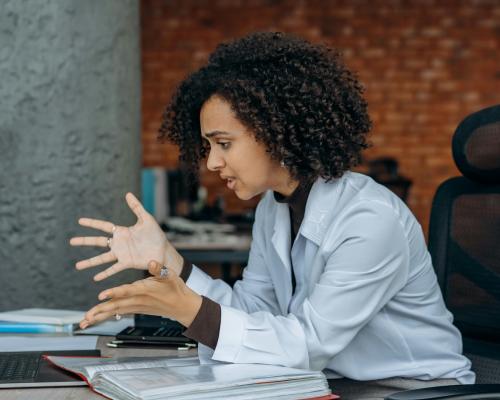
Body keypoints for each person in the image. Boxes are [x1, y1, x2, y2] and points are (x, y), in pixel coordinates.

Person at [71, 32, 474, 399]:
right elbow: (253, 310)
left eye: (224, 143)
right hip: (336, 384)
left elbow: (308, 343)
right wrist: (170, 260)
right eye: (209, 146)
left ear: (276, 130)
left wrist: (187, 310)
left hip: (412, 391)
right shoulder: (274, 206)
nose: (212, 162)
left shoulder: (369, 218)